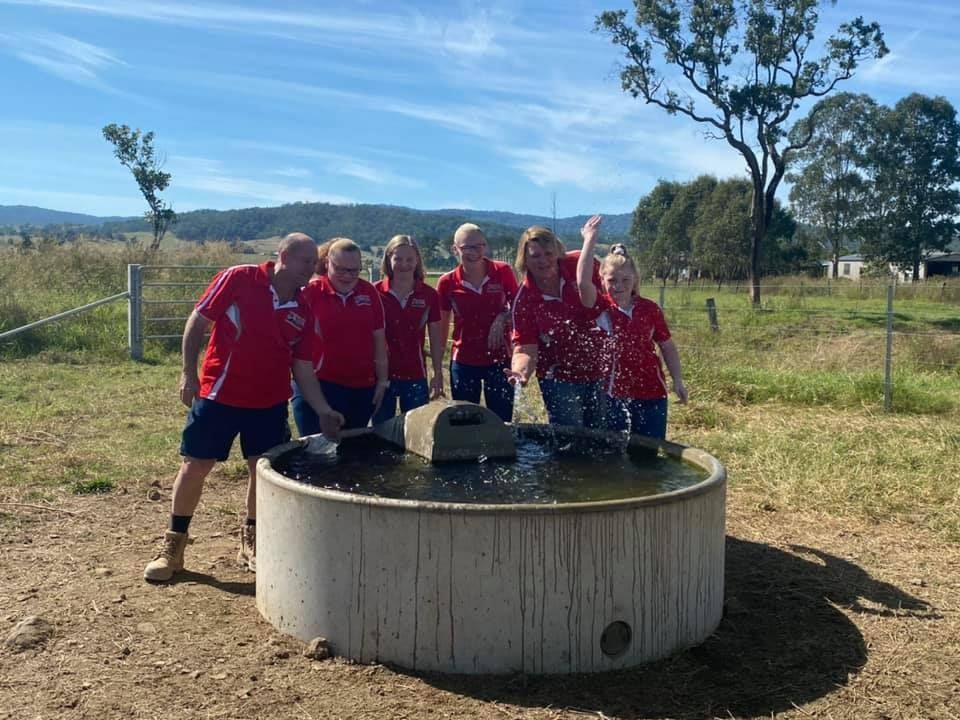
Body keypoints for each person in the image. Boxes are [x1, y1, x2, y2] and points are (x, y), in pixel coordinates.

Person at [144, 233, 344, 582]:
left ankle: (251, 540)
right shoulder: (239, 278)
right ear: (283, 256)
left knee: (261, 470)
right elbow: (198, 322)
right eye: (305, 261)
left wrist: (324, 409)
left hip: (268, 403)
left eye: (315, 263)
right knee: (196, 466)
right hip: (219, 395)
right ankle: (173, 546)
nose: (311, 269)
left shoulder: (303, 309)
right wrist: (188, 374)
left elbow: (303, 367)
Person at [576, 215, 688, 439]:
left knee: (650, 450)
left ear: (635, 279)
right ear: (602, 279)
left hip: (652, 391)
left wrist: (677, 380)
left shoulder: (650, 309)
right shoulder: (599, 307)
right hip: (613, 394)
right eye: (612, 280)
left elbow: (666, 346)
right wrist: (589, 239)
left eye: (625, 280)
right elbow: (582, 282)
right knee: (616, 453)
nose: (618, 286)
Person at [506, 224, 608, 428]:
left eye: (548, 253)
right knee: (569, 437)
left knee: (605, 436)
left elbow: (616, 286)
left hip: (602, 368)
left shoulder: (580, 264)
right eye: (535, 256)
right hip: (559, 376)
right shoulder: (524, 299)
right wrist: (521, 372)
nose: (543, 260)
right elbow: (525, 347)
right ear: (524, 259)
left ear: (558, 251)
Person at [295, 237, 389, 433]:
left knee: (352, 453)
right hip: (321, 385)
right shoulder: (310, 292)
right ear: (327, 262)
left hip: (362, 387)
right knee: (316, 451)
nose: (347, 276)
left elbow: (379, 339)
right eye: (340, 269)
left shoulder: (369, 292)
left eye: (354, 270)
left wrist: (382, 382)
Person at [436, 223, 518, 422]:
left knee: (501, 421)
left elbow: (519, 308)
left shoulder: (502, 271)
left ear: (486, 246)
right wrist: (437, 370)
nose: (474, 252)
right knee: (466, 422)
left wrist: (502, 318)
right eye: (467, 247)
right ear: (455, 249)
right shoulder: (447, 283)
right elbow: (441, 327)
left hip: (499, 359)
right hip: (464, 361)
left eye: (479, 246)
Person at [372, 235, 444, 423]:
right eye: (398, 259)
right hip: (380, 376)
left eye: (409, 259)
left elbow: (436, 338)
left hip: (415, 374)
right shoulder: (374, 292)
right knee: (380, 431)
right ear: (388, 258)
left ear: (418, 260)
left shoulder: (429, 295)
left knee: (416, 430)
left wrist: (438, 373)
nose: (404, 264)